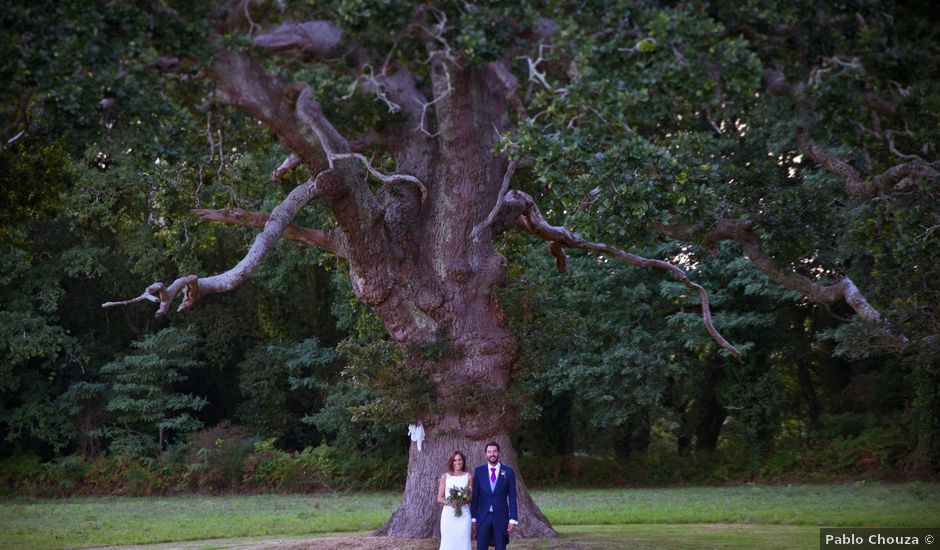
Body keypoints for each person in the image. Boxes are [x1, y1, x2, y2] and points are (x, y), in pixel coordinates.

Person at [470, 442, 518, 550]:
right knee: (481, 547)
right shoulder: (479, 471)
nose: (492, 454)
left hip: (501, 517)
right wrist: (473, 518)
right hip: (483, 517)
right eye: (489, 452)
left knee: (500, 547)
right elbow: (475, 496)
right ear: (486, 454)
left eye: (495, 451)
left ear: (499, 453)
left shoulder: (509, 472)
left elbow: (512, 497)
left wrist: (513, 519)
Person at [438, 450, 473, 550]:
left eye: (460, 460)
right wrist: (453, 503)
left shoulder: (468, 476)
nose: (457, 462)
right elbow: (439, 498)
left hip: (464, 513)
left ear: (463, 461)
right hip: (449, 514)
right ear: (452, 462)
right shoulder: (445, 477)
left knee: (463, 540)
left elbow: (470, 498)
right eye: (455, 460)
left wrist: (462, 502)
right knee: (448, 541)